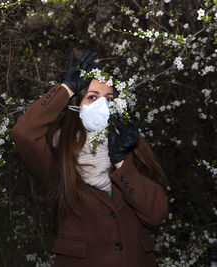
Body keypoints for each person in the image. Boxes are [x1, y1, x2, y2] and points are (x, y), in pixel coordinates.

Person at [10, 50, 168, 267]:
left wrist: (122, 161)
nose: (101, 106)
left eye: (108, 99)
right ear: (77, 105)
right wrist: (65, 89)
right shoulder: (58, 156)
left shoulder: (131, 145)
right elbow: (24, 133)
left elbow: (156, 214)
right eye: (92, 97)